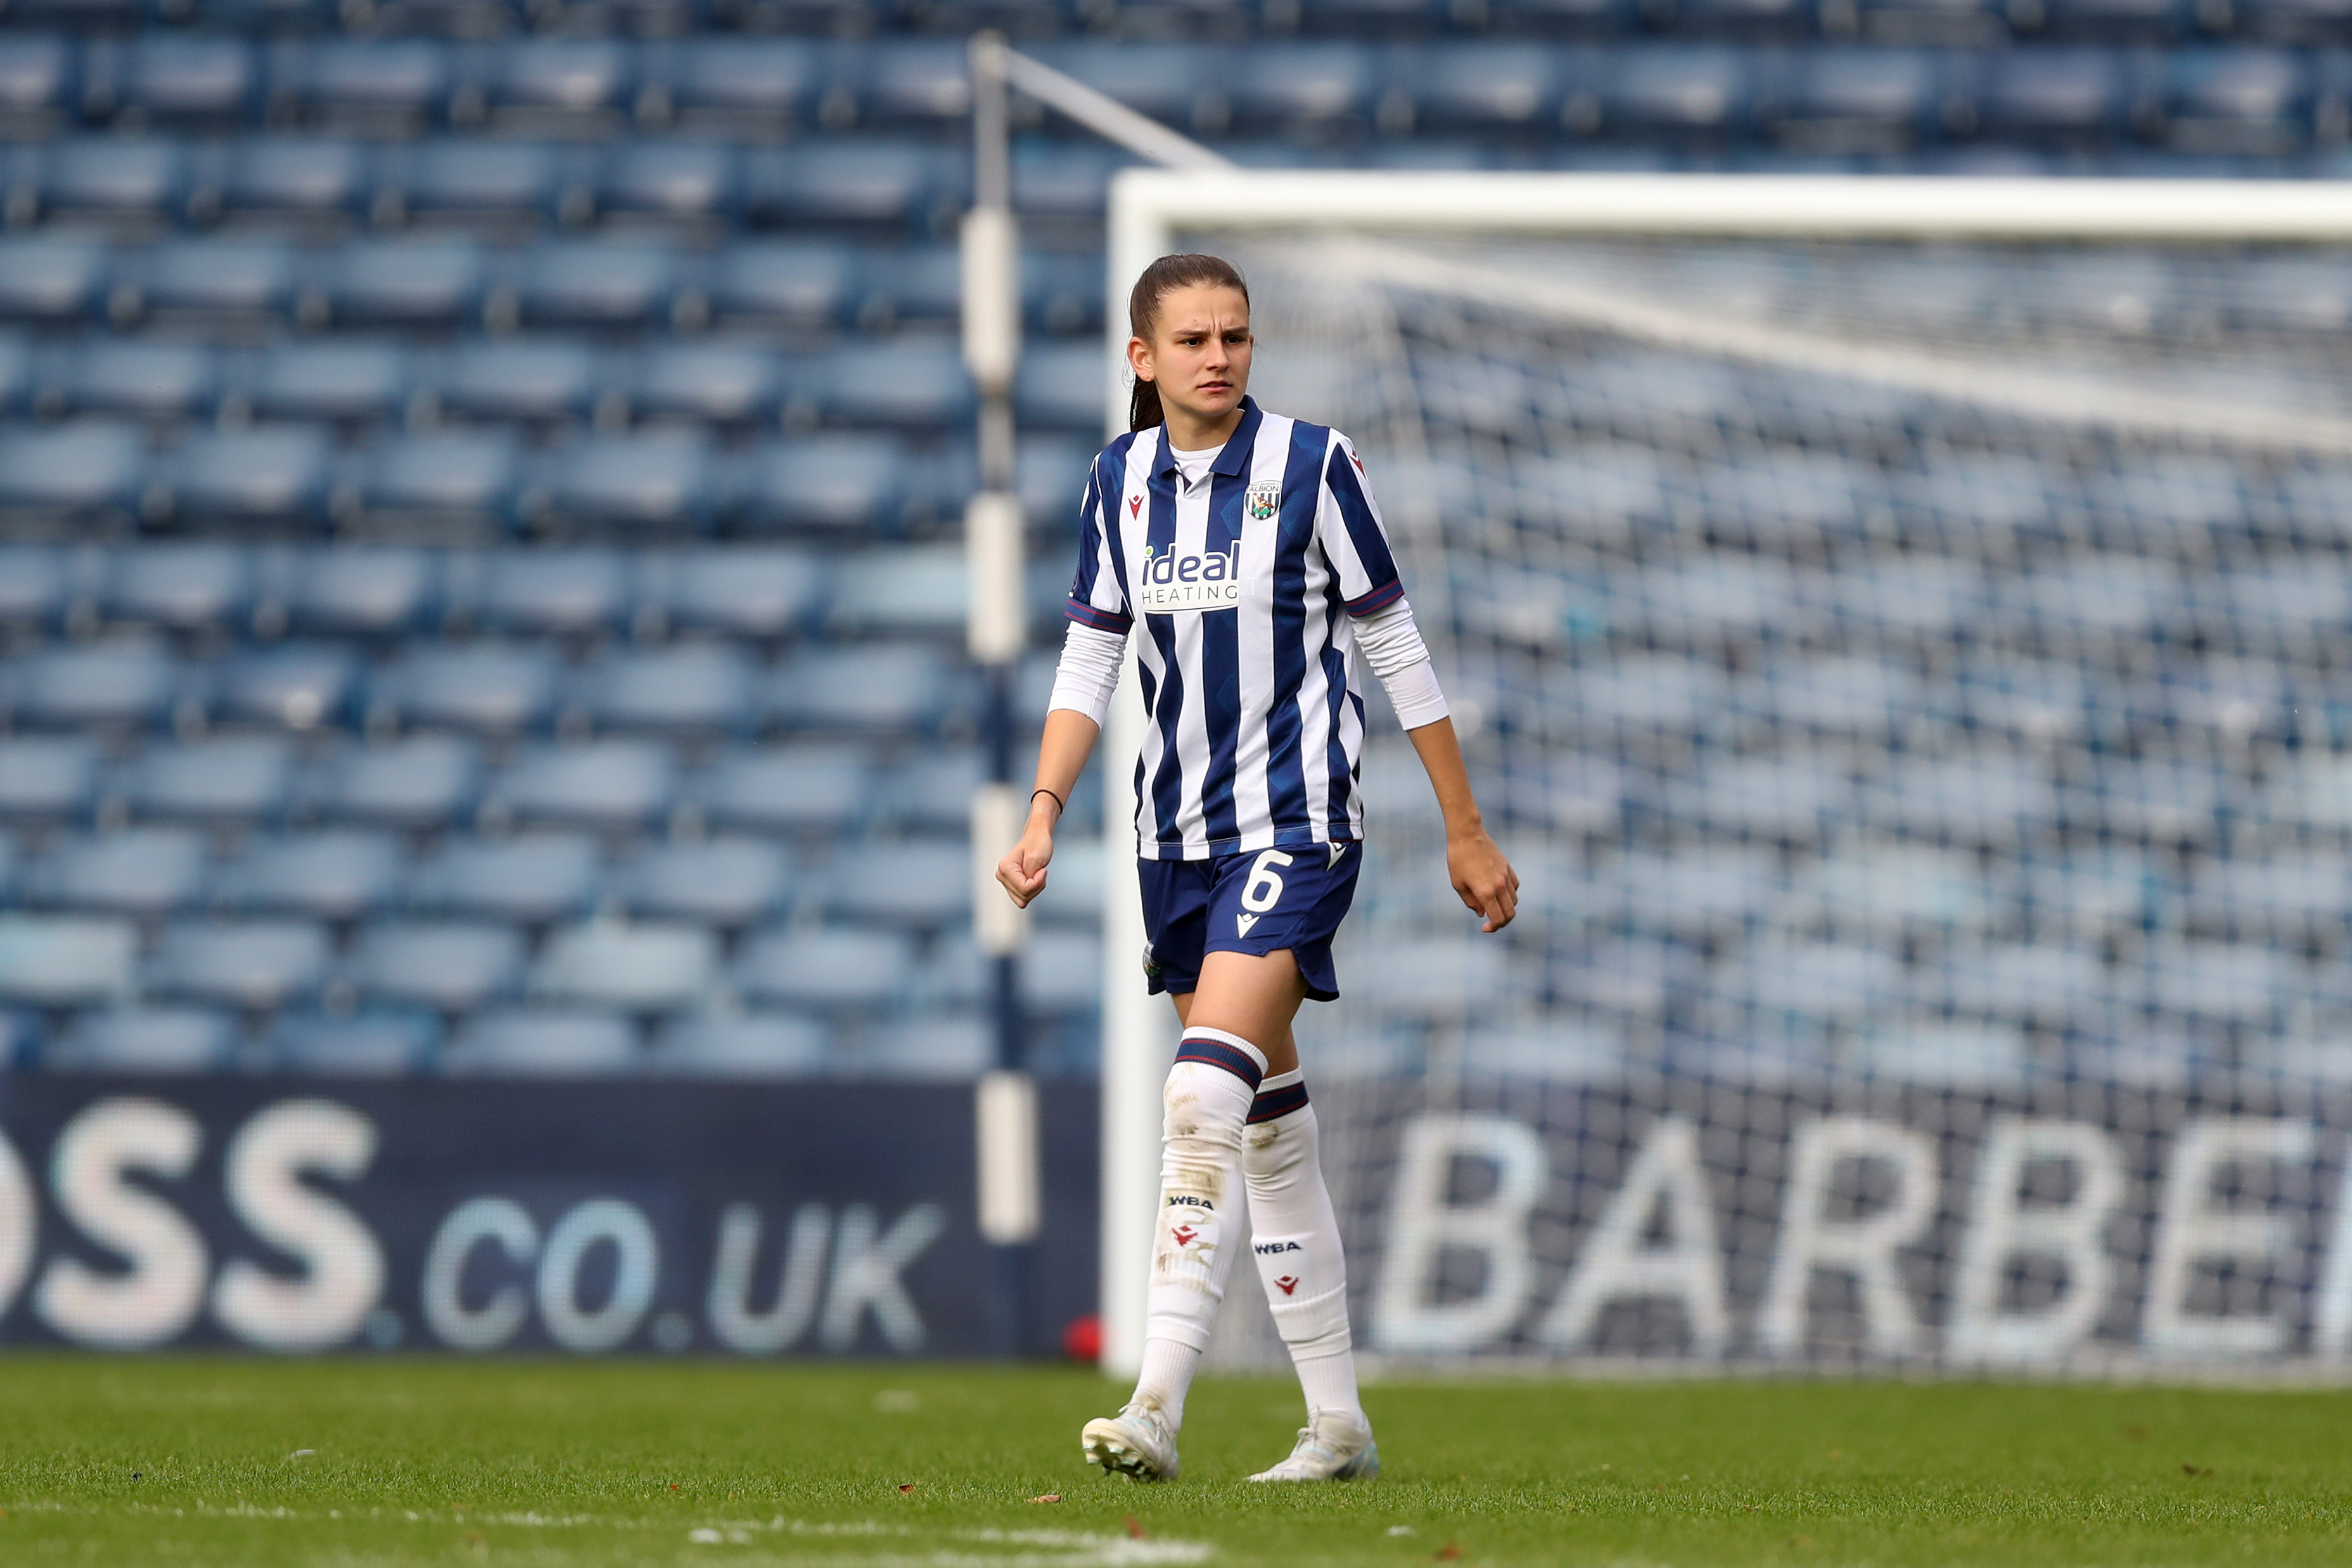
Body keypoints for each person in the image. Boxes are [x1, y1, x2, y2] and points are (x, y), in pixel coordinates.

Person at [996, 253, 1518, 1484]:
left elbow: (1391, 639)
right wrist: (1041, 811)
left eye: (1233, 335)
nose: (1217, 356)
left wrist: (1462, 822)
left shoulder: (1311, 466)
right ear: (1143, 358)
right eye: (1191, 340)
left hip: (1293, 824)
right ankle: (1336, 1424)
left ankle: (1155, 1402)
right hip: (1168, 840)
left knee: (1196, 1099)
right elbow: (1089, 656)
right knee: (1269, 1128)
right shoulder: (1115, 482)